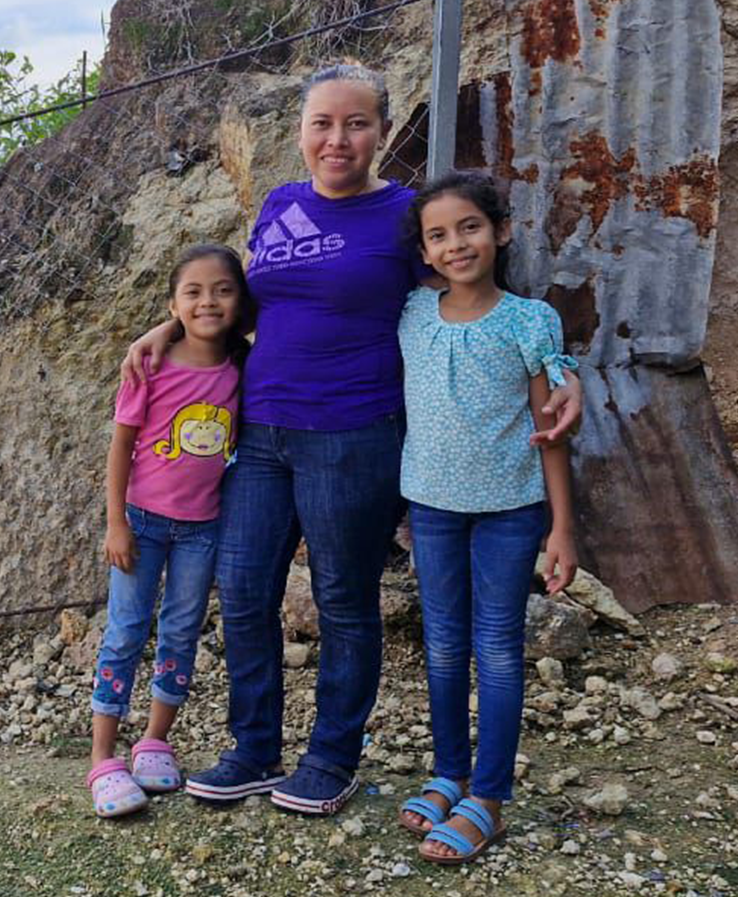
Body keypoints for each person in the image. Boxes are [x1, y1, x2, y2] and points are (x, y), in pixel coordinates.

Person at [121, 65, 583, 816]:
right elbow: (243, 304)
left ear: (382, 132)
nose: (337, 139)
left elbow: (473, 300)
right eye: (322, 124)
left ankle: (331, 759)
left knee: (342, 596)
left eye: (356, 123)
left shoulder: (406, 217)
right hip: (260, 430)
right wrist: (170, 325)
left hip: (354, 432)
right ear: (302, 132)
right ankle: (253, 749)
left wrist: (561, 372)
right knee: (244, 590)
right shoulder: (280, 203)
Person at [396, 170, 578, 863]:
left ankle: (490, 797)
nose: (456, 245)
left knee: (497, 649)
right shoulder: (412, 311)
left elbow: (550, 430)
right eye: (438, 235)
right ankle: (449, 774)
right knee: (443, 645)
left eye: (469, 227)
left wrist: (562, 528)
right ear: (424, 251)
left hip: (509, 511)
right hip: (432, 507)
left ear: (500, 231)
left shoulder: (529, 321)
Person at [87, 244, 254, 818]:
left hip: (203, 529)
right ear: (173, 305)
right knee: (125, 632)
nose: (209, 301)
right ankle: (102, 758)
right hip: (142, 523)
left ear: (240, 301)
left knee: (181, 632)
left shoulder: (241, 367)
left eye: (223, 290)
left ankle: (155, 741)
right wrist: (116, 523)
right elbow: (121, 447)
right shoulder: (149, 367)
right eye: (193, 292)